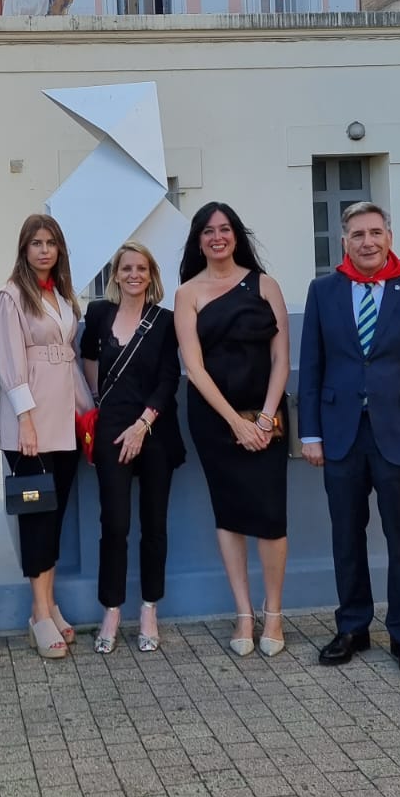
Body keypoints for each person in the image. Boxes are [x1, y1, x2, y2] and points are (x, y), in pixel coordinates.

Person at [300, 202, 400, 679]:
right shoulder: (324, 290)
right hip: (341, 435)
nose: (367, 242)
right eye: (357, 234)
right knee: (346, 537)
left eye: (376, 232)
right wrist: (310, 433)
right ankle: (353, 627)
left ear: (389, 236)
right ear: (343, 241)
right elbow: (312, 366)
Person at [174, 204, 290, 658]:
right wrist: (234, 422)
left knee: (271, 516)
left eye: (225, 229)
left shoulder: (266, 285)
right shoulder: (187, 293)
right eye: (208, 231)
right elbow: (194, 368)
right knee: (229, 514)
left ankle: (274, 612)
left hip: (268, 418)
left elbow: (281, 358)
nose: (217, 237)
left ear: (237, 235)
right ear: (198, 240)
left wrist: (262, 418)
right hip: (215, 421)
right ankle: (244, 612)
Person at [0, 213, 92, 659]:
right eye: (36, 242)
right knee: (36, 518)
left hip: (65, 422)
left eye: (51, 242)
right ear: (23, 248)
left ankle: (50, 603)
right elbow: (10, 365)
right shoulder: (11, 296)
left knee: (54, 517)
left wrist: (88, 412)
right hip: (30, 427)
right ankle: (38, 612)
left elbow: (69, 359)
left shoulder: (64, 294)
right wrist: (25, 422)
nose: (44, 250)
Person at [82, 243, 186, 655]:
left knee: (154, 526)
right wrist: (97, 400)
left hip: (154, 429)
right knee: (116, 524)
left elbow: (168, 379)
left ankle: (148, 609)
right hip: (110, 428)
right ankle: (111, 610)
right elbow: (88, 357)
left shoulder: (164, 321)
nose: (134, 274)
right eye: (126, 268)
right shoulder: (97, 314)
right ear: (116, 274)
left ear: (151, 274)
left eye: (141, 268)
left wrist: (143, 424)